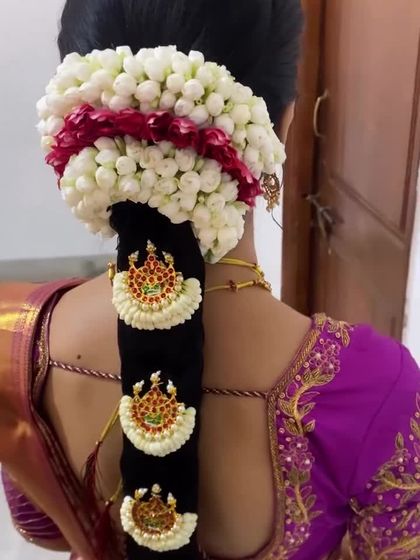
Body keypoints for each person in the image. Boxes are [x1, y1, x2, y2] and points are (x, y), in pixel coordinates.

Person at [0, 1, 419, 559]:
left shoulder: (19, 337)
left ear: (80, 134)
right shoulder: (377, 388)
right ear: (282, 125)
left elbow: (39, 526)